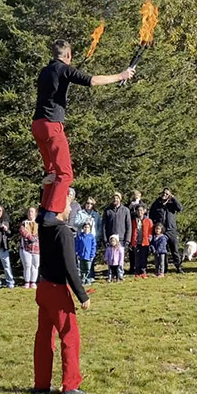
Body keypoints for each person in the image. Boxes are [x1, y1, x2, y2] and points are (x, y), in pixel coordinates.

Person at [32, 39, 135, 223]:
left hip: (37, 125)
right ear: (68, 55)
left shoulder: (45, 71)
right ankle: (51, 214)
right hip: (52, 125)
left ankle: (43, 211)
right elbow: (92, 80)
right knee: (65, 174)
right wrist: (121, 75)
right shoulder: (63, 69)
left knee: (52, 172)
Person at [33, 194, 89, 394]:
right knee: (70, 336)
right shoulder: (63, 232)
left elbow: (42, 213)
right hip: (57, 289)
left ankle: (41, 383)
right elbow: (70, 267)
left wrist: (47, 187)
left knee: (44, 336)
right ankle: (70, 385)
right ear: (59, 207)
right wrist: (82, 295)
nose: (71, 208)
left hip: (43, 287)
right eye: (68, 203)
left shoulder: (44, 227)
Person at [149, 188, 184, 273]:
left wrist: (173, 198)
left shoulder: (172, 204)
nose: (165, 195)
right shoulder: (156, 204)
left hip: (171, 230)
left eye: (167, 194)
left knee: (174, 250)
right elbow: (151, 215)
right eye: (163, 193)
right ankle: (164, 268)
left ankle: (178, 267)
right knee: (162, 250)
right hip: (161, 231)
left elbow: (180, 208)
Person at [74, 197, 101, 279]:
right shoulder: (80, 213)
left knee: (91, 258)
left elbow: (99, 227)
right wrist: (85, 220)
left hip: (92, 239)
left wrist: (98, 237)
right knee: (82, 258)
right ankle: (83, 276)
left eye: (91, 204)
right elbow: (75, 223)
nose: (89, 205)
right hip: (82, 239)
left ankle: (91, 276)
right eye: (87, 203)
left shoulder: (96, 215)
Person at [20, 207, 40, 289]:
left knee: (35, 265)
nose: (30, 213)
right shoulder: (24, 223)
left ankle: (33, 282)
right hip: (26, 248)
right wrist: (30, 237)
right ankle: (27, 282)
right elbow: (23, 231)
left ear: (35, 213)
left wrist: (35, 237)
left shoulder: (39, 223)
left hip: (36, 248)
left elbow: (40, 233)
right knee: (27, 265)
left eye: (32, 212)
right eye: (29, 212)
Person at [131, 204, 153, 278]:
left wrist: (149, 239)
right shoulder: (133, 221)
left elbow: (150, 231)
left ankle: (143, 271)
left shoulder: (148, 220)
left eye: (141, 210)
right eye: (138, 210)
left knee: (144, 258)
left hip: (145, 242)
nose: (139, 212)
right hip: (136, 242)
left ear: (144, 211)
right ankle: (137, 271)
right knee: (137, 258)